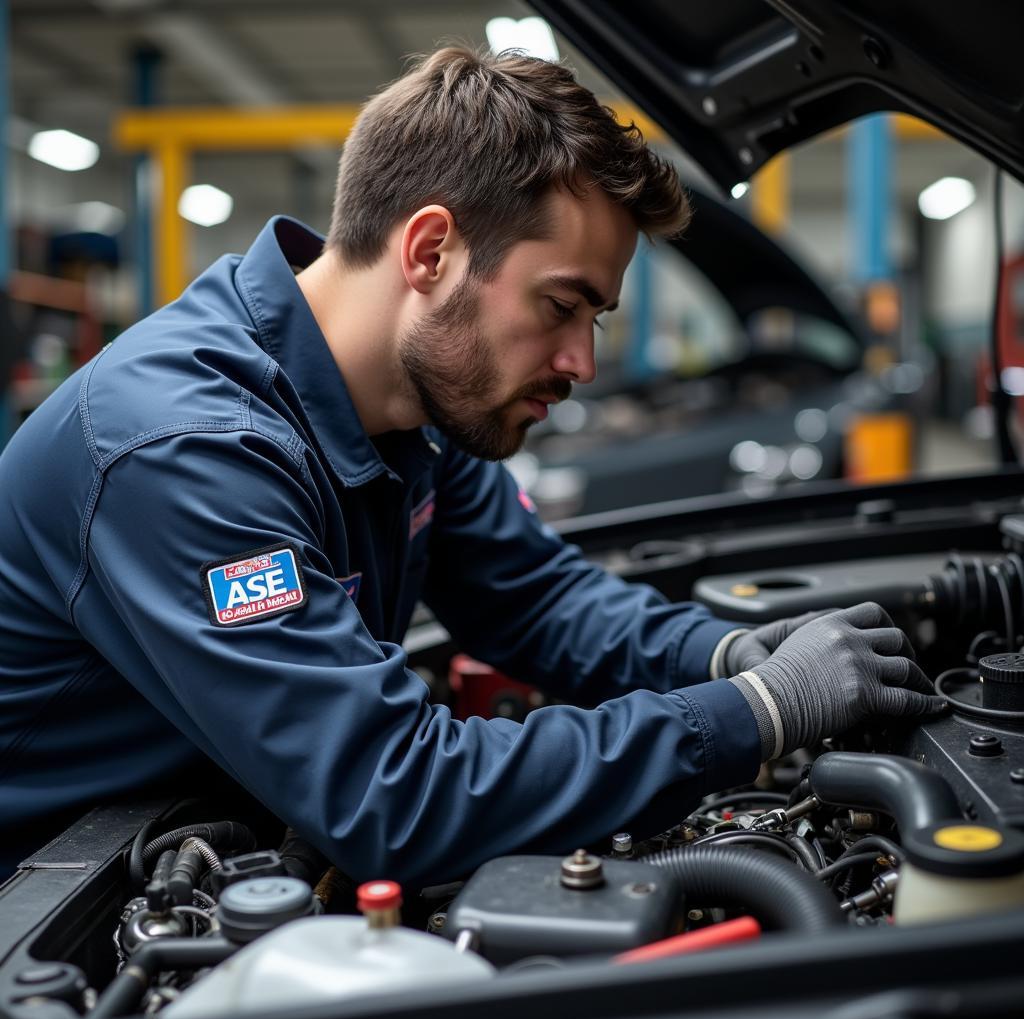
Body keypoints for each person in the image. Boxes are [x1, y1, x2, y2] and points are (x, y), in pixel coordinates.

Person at [0, 47, 944, 884]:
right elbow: (394, 797)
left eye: (596, 320)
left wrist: (723, 653)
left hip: (224, 824)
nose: (581, 362)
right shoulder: (181, 451)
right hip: (58, 910)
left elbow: (536, 597)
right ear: (431, 250)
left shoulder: (410, 407)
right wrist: (754, 714)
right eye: (561, 305)